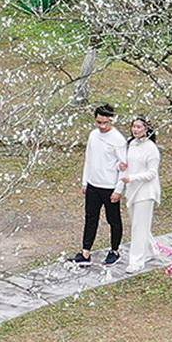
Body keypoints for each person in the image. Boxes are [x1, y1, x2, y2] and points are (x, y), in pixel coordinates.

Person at [74, 103, 128, 266]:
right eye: (99, 122)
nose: (102, 126)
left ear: (111, 121)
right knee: (91, 218)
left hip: (110, 186)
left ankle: (114, 250)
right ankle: (85, 252)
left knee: (113, 220)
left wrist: (119, 189)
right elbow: (88, 159)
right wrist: (85, 181)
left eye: (105, 123)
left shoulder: (118, 140)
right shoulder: (93, 135)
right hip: (93, 185)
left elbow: (124, 165)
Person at [119, 116, 162, 270]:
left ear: (146, 129)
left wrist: (132, 178)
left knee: (138, 227)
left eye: (139, 127)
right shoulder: (131, 144)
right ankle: (151, 250)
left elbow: (151, 174)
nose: (135, 129)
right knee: (139, 225)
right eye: (134, 127)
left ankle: (136, 262)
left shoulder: (151, 148)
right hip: (132, 191)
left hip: (146, 192)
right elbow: (128, 164)